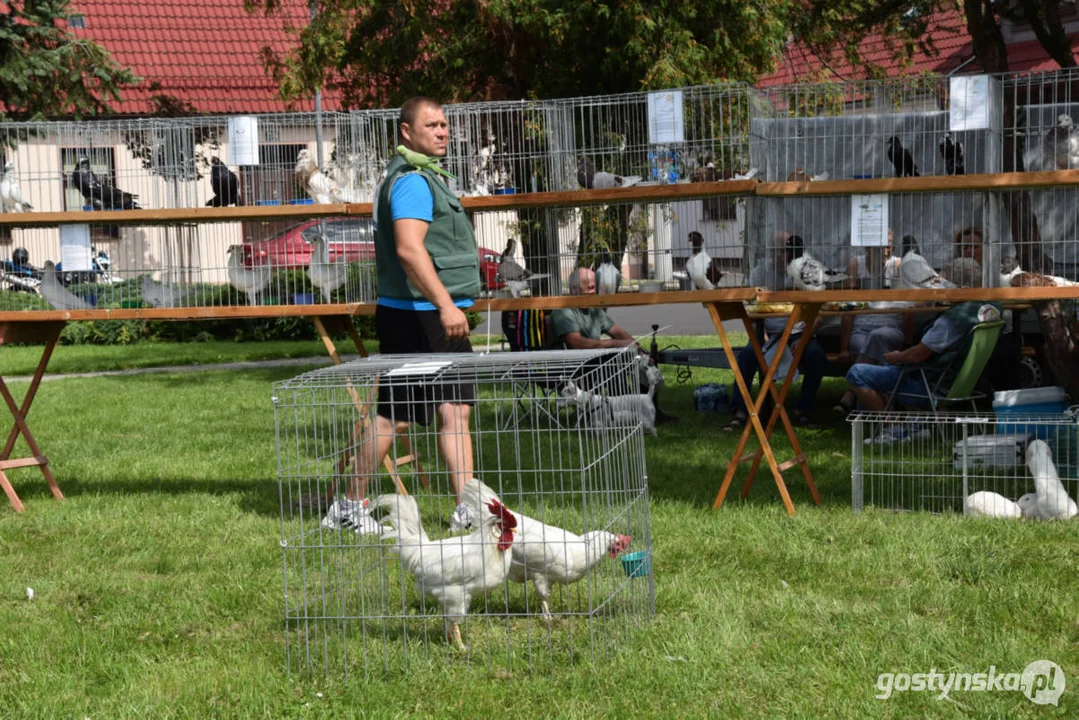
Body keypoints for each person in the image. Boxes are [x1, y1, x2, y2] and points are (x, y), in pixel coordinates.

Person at [322, 96, 481, 535]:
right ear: (406, 132)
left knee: (454, 410)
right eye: (431, 124)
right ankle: (349, 507)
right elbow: (410, 249)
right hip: (421, 315)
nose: (442, 131)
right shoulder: (412, 181)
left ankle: (465, 508)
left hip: (422, 313)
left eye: (445, 124)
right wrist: (446, 305)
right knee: (396, 415)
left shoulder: (422, 176)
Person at [846, 264, 1000, 444]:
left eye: (944, 284)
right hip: (962, 382)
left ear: (961, 289)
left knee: (856, 373)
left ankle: (893, 429)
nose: (940, 288)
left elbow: (917, 356)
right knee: (887, 367)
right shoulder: (986, 310)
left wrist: (897, 357)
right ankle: (917, 426)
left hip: (931, 386)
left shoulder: (952, 321)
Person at [726, 233, 828, 429]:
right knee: (747, 356)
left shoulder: (807, 271)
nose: (781, 255)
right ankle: (740, 410)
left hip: (798, 332)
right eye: (777, 251)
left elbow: (819, 313)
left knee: (816, 356)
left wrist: (805, 338)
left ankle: (804, 410)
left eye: (786, 251)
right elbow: (748, 309)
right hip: (766, 331)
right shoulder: (758, 273)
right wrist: (759, 335)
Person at [550, 266, 675, 422]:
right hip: (576, 368)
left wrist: (636, 347)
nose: (591, 292)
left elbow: (618, 332)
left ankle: (651, 410)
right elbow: (576, 343)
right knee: (614, 362)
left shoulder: (594, 310)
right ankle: (630, 410)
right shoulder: (563, 312)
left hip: (596, 361)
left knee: (643, 360)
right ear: (574, 290)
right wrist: (614, 344)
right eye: (587, 288)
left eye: (593, 288)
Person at [833, 232, 910, 415]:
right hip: (861, 327)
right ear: (868, 246)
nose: (885, 250)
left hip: (891, 326)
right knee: (868, 344)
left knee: (879, 337)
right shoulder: (855, 265)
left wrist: (908, 344)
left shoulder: (898, 265)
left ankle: (852, 394)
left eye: (889, 245)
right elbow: (849, 306)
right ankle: (886, 408)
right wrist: (843, 348)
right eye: (880, 245)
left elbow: (908, 310)